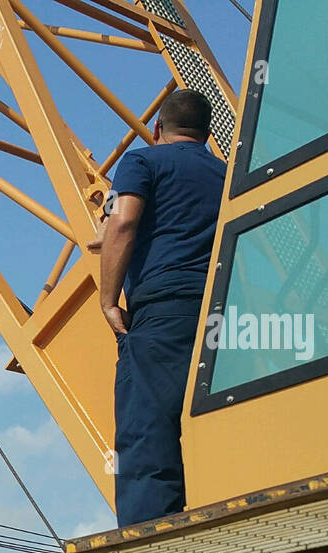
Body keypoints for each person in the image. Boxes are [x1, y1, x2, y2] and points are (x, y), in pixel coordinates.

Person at [98, 88, 227, 529]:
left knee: (147, 427)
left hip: (163, 312)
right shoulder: (228, 173)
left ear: (157, 129)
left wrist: (108, 299)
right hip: (223, 308)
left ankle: (152, 539)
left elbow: (123, 220)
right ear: (207, 134)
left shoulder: (141, 162)